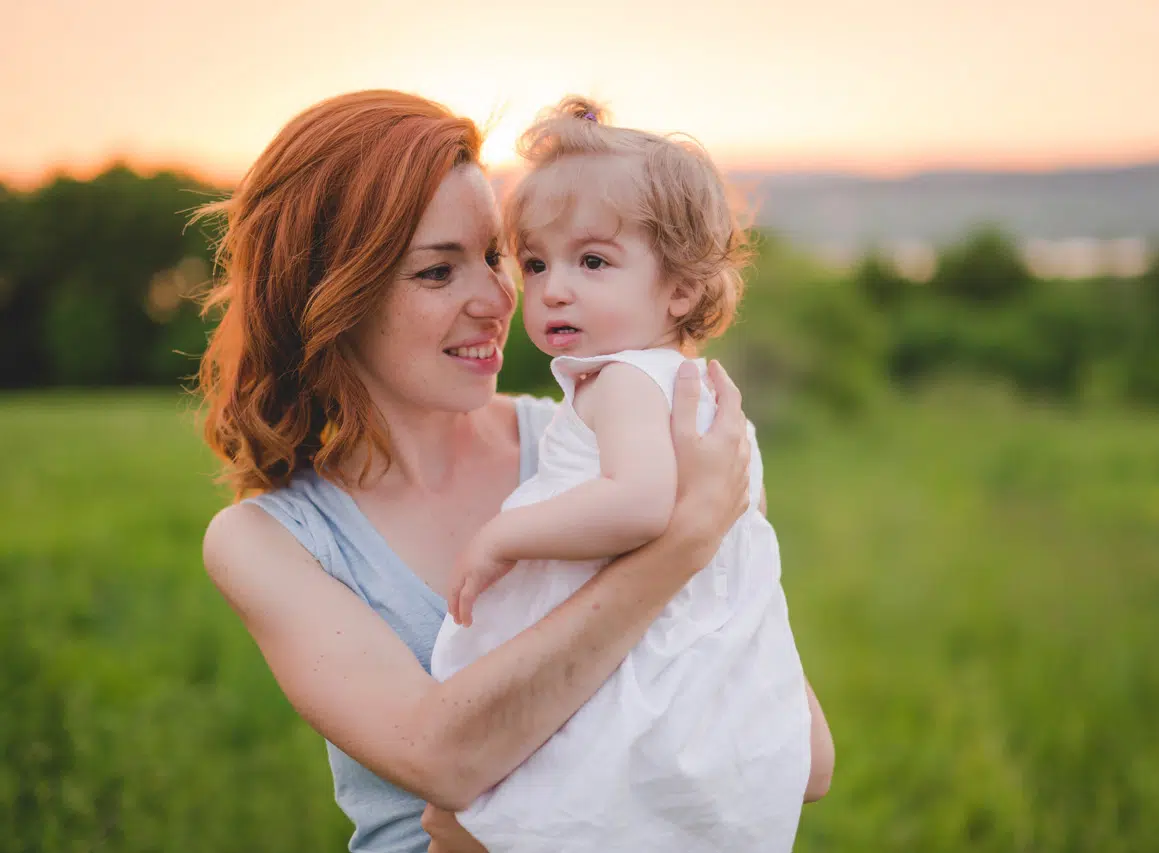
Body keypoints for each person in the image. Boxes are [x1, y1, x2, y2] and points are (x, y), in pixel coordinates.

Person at [196, 90, 785, 852]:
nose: (502, 297)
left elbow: (798, 748)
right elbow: (443, 756)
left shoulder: (589, 445)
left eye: (496, 256)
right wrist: (685, 541)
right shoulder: (270, 542)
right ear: (333, 294)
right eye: (439, 273)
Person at [428, 97, 829, 853]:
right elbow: (749, 527)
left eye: (593, 261)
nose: (553, 288)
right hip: (691, 641)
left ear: (679, 287)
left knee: (561, 794)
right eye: (537, 262)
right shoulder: (693, 387)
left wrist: (504, 533)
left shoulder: (619, 382)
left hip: (636, 643)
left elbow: (640, 503)